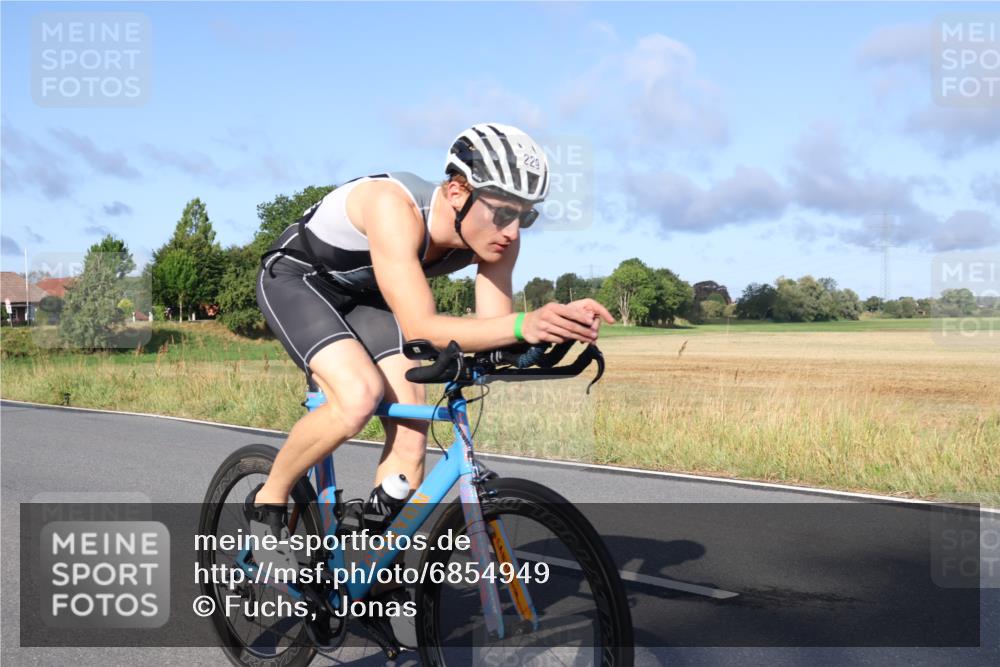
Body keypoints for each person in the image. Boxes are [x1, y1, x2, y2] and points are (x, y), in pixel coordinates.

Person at [248, 123, 614, 640]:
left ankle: (373, 571)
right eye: (503, 212)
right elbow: (422, 326)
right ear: (458, 191)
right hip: (299, 280)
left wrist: (548, 333)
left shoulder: (497, 241)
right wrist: (523, 324)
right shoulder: (392, 206)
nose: (513, 230)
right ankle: (270, 497)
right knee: (358, 397)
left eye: (526, 215)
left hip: (370, 297)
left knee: (413, 428)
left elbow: (494, 329)